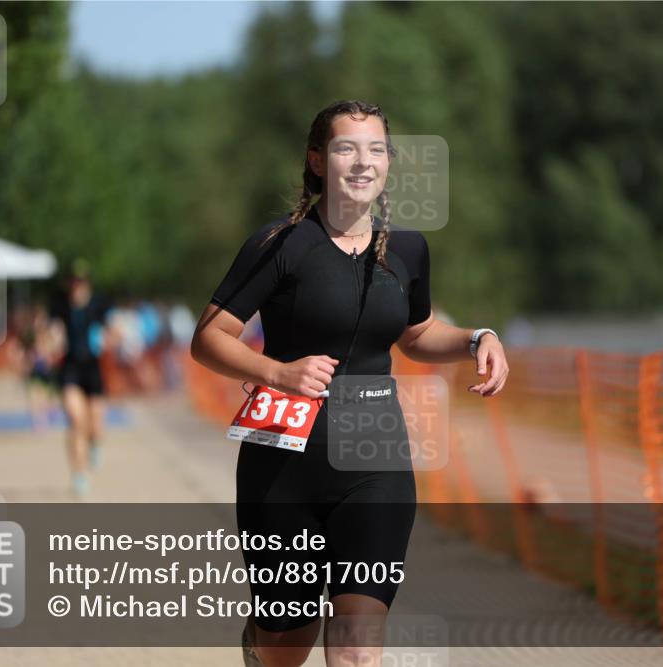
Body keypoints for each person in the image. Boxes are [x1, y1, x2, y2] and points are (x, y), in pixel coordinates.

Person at [191, 100, 509, 667]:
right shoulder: (280, 244)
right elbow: (209, 338)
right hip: (284, 464)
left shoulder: (407, 248)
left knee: (358, 647)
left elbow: (417, 333)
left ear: (388, 161)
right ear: (317, 160)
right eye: (346, 148)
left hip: (375, 459)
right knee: (287, 643)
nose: (363, 162)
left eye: (376, 149)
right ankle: (263, 641)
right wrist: (277, 371)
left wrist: (476, 338)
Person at [50, 261, 112, 498]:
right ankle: (79, 472)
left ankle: (95, 443)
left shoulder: (99, 304)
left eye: (81, 282)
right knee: (76, 421)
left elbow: (113, 329)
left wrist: (113, 337)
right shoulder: (60, 305)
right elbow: (53, 331)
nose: (77, 287)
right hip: (70, 369)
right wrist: (51, 339)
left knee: (95, 425)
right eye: (73, 283)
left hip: (93, 370)